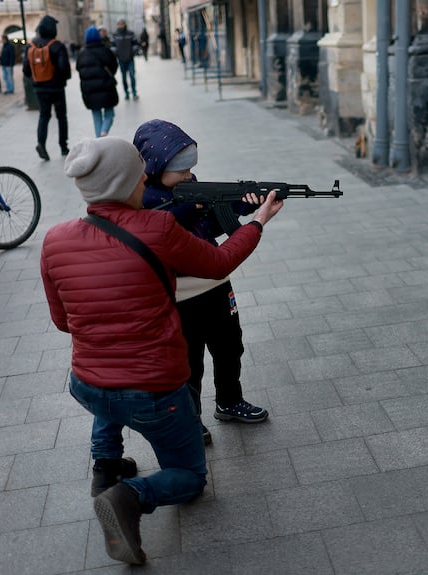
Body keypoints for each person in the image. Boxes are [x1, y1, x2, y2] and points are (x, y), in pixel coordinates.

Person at [40, 137, 283, 565]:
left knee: (108, 390)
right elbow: (217, 262)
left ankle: (106, 469)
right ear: (129, 180)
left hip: (88, 386)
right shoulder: (157, 228)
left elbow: (63, 322)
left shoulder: (55, 240)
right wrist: (257, 221)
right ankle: (128, 496)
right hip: (154, 392)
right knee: (190, 478)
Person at [133, 119, 269, 445]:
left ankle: (229, 400)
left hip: (216, 282)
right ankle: (191, 418)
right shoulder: (146, 200)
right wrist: (190, 210)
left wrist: (238, 204)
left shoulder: (189, 187)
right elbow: (159, 230)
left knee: (229, 346)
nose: (188, 176)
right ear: (154, 166)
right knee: (189, 361)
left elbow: (211, 228)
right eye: (179, 170)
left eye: (190, 169)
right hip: (180, 295)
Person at [22, 15, 71, 161]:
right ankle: (63, 146)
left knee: (44, 116)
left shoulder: (30, 46)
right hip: (56, 88)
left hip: (39, 89)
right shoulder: (57, 46)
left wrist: (36, 79)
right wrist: (62, 79)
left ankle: (41, 144)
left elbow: (25, 69)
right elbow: (64, 68)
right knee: (61, 117)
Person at [76, 26, 119, 137]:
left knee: (96, 115)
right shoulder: (106, 50)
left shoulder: (82, 53)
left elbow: (79, 70)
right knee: (109, 113)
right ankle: (104, 131)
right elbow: (114, 66)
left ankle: (99, 139)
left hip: (90, 90)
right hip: (106, 87)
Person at [111, 19, 138, 100]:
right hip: (121, 60)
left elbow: (136, 44)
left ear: (125, 24)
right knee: (123, 78)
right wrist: (117, 53)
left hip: (130, 59)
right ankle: (126, 93)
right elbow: (112, 46)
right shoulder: (115, 35)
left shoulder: (130, 33)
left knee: (132, 76)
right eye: (119, 24)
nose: (121, 25)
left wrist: (132, 52)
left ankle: (134, 92)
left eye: (122, 24)